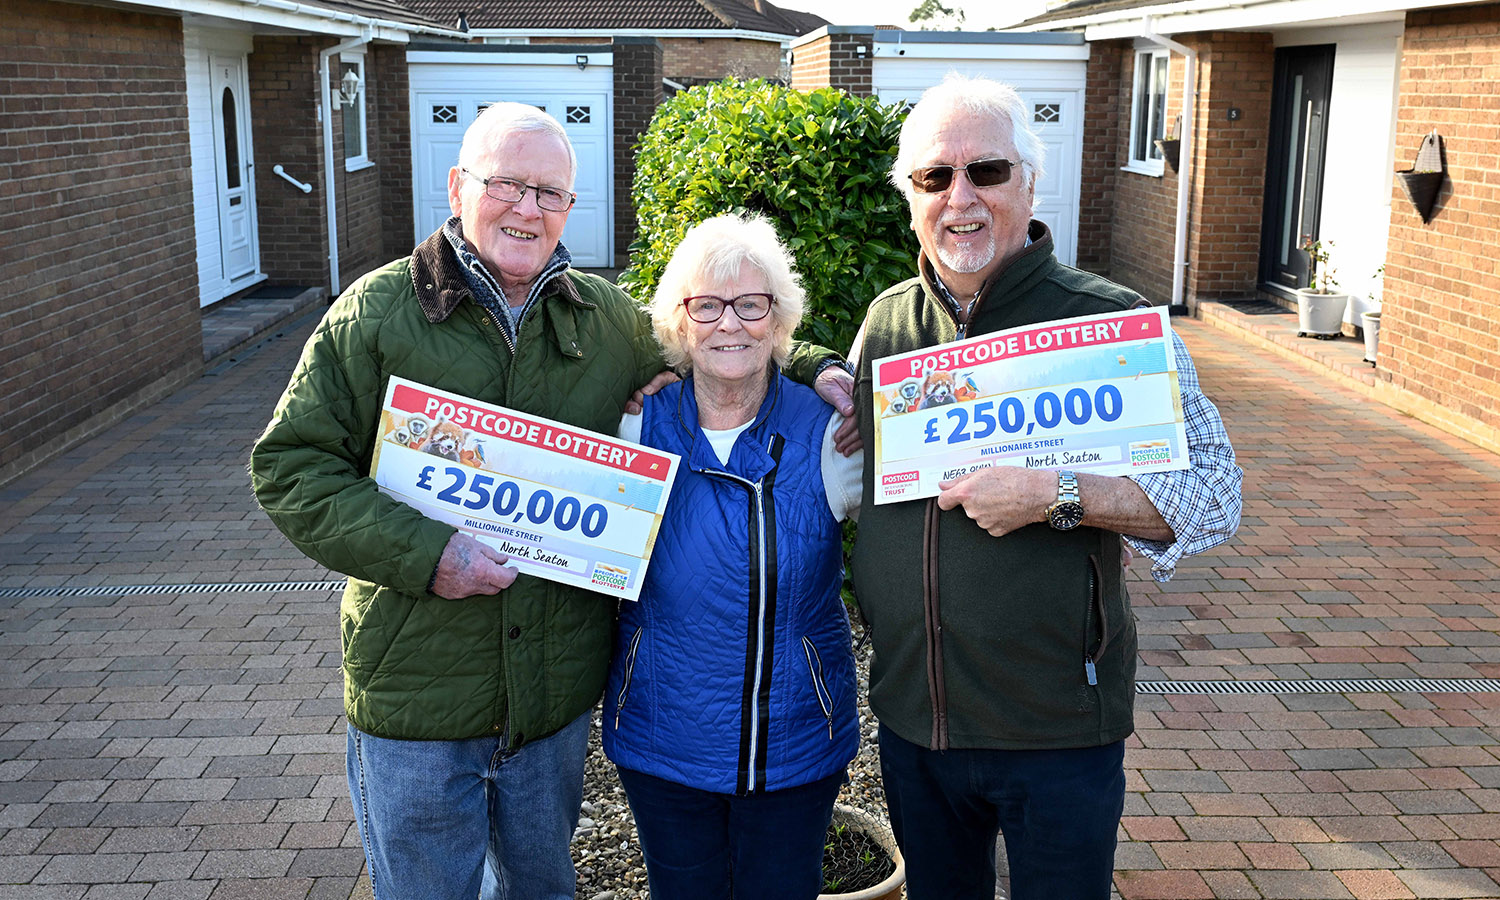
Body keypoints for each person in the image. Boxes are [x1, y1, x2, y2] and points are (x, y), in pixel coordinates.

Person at [249, 103, 853, 900]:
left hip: (551, 703)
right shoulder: (375, 313)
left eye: (551, 193)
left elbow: (721, 333)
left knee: (540, 889)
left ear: (571, 208)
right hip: (418, 694)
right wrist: (430, 555)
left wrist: (815, 363)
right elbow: (290, 467)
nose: (528, 209)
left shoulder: (602, 319)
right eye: (508, 185)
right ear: (459, 185)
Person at [849, 75, 1243, 900]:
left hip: (1057, 731)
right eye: (934, 177)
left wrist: (1056, 492)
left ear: (1030, 181)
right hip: (917, 726)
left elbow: (1213, 496)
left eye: (986, 171)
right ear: (909, 197)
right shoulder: (885, 323)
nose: (961, 198)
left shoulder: (1110, 324)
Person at [603, 213, 862, 900]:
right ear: (679, 322)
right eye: (708, 305)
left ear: (778, 321)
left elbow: (920, 527)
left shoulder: (832, 435)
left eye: (751, 305)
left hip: (795, 744)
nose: (730, 325)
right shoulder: (633, 426)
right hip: (663, 738)